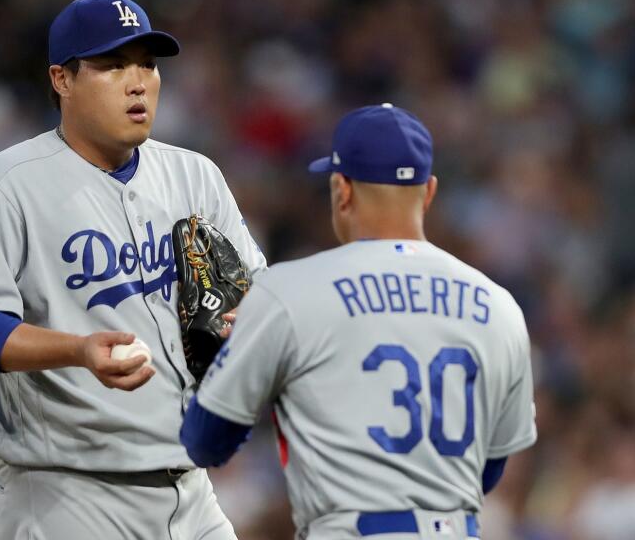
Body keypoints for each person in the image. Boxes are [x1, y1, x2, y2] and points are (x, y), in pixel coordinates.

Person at [0, 0, 265, 540]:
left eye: (147, 64)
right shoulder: (3, 188)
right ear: (62, 79)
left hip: (191, 488)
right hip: (66, 495)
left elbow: (254, 293)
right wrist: (77, 350)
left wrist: (250, 320)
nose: (137, 82)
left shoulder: (195, 176)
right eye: (112, 65)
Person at [180, 104, 537, 539]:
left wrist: (225, 356)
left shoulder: (290, 292)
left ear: (341, 189)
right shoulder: (499, 306)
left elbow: (205, 442)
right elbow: (489, 469)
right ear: (428, 192)